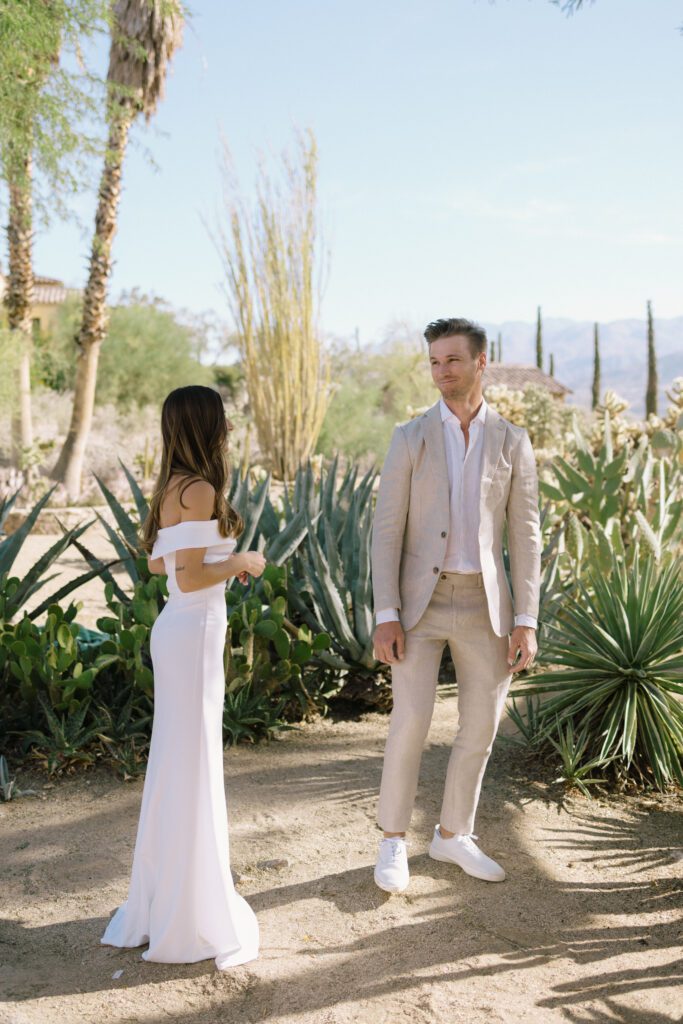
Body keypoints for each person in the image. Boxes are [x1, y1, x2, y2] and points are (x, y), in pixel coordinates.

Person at [371, 318, 541, 893]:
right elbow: (385, 532)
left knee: (480, 727)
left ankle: (452, 834)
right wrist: (385, 612)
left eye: (452, 361)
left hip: (485, 606)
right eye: (435, 362)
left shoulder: (512, 440)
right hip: (418, 604)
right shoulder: (410, 437)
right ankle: (392, 840)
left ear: (481, 362)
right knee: (410, 722)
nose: (442, 372)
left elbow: (526, 536)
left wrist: (526, 619)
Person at [100, 384, 266, 969]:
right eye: (221, 420)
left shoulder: (174, 485)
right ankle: (189, 909)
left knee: (179, 762)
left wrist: (214, 564)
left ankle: (169, 898)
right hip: (192, 631)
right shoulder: (199, 488)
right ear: (208, 426)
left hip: (182, 630)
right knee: (190, 762)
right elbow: (192, 578)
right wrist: (241, 561)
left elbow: (157, 563)